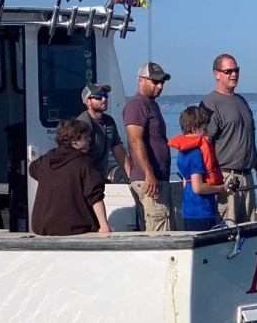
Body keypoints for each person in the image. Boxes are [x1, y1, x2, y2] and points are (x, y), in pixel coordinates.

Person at [200, 54, 257, 223]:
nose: (234, 74)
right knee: (228, 230)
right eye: (228, 71)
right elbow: (204, 145)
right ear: (217, 74)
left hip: (248, 178)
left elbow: (248, 140)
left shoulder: (241, 101)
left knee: (250, 229)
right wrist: (212, 182)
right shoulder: (210, 103)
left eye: (236, 70)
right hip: (226, 178)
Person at [27, 119, 111, 236]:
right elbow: (95, 197)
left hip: (42, 228)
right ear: (75, 140)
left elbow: (32, 169)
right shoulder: (84, 163)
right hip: (75, 228)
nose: (90, 140)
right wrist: (104, 227)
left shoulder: (45, 160)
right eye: (86, 137)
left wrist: (44, 187)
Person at [124, 62, 173, 232]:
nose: (159, 86)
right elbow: (135, 140)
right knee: (159, 233)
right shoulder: (137, 105)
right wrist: (149, 174)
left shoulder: (152, 104)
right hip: (149, 181)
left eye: (162, 82)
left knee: (163, 225)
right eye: (155, 81)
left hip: (158, 179)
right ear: (141, 80)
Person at [168, 106, 227, 231]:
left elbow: (186, 183)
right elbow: (198, 187)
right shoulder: (196, 154)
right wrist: (221, 188)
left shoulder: (182, 152)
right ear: (194, 129)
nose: (206, 132)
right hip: (202, 211)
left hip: (189, 210)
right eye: (204, 129)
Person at [74, 82, 131, 181]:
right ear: (87, 102)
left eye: (105, 95)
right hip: (85, 180)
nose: (104, 99)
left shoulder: (109, 121)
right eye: (99, 96)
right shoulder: (83, 123)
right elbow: (77, 156)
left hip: (101, 179)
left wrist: (131, 176)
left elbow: (118, 150)